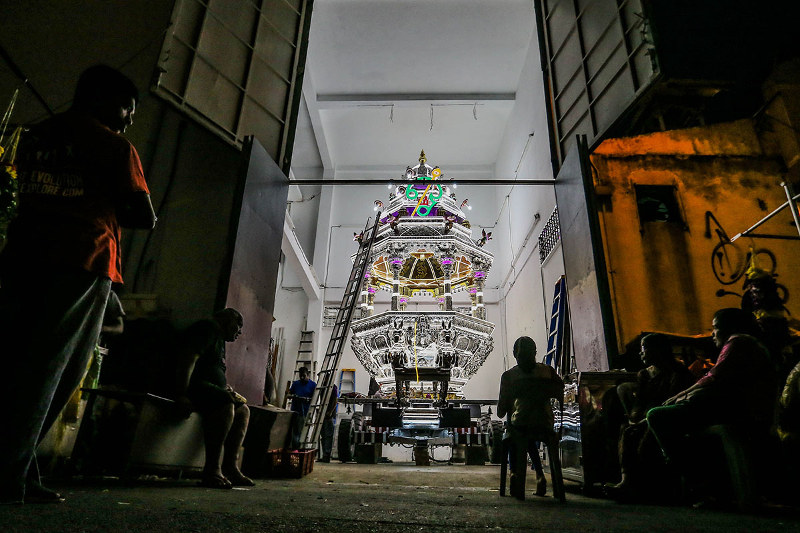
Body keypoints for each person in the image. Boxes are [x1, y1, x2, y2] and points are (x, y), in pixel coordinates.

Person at [0, 65, 156, 505]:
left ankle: (23, 471)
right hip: (82, 261)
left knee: (14, 365)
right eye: (128, 108)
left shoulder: (33, 137)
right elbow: (143, 215)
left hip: (22, 258)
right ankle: (9, 476)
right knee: (54, 372)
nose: (129, 119)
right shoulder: (113, 146)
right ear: (104, 99)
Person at [646, 308, 776, 501]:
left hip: (742, 412)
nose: (712, 334)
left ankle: (698, 484)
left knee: (656, 415)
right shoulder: (753, 344)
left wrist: (680, 396)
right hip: (748, 410)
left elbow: (714, 378)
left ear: (730, 328)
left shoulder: (738, 342)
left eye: (715, 328)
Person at [609, 333, 694, 500]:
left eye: (645, 349)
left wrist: (644, 421)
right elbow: (640, 401)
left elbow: (673, 401)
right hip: (645, 417)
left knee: (647, 436)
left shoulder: (678, 373)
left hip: (664, 417)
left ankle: (646, 488)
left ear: (659, 350)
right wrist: (634, 417)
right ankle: (626, 481)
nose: (641, 354)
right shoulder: (644, 375)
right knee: (627, 430)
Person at [176, 308, 254, 489]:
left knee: (243, 410)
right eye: (238, 325)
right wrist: (181, 394)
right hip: (194, 386)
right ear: (227, 320)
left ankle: (230, 467)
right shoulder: (209, 328)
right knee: (226, 403)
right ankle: (212, 470)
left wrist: (223, 387)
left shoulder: (219, 339)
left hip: (208, 388)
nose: (239, 331)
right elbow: (188, 360)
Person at [497, 336, 564, 498]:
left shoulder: (509, 376)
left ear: (514, 354)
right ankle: (540, 475)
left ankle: (514, 473)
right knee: (529, 427)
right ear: (535, 353)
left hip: (520, 425)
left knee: (515, 427)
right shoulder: (548, 372)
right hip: (545, 424)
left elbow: (500, 412)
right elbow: (561, 390)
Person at [289, 366, 316, 449]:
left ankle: (300, 449)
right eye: (300, 376)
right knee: (293, 432)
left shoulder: (313, 385)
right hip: (294, 411)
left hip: (305, 412)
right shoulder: (296, 384)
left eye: (304, 376)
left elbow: (315, 399)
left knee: (301, 432)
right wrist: (293, 396)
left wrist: (307, 399)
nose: (302, 378)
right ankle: (295, 450)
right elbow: (290, 394)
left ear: (308, 375)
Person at [319, 383, 338, 462]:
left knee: (328, 435)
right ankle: (324, 455)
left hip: (329, 415)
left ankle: (326, 455)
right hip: (322, 414)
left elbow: (335, 400)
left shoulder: (333, 387)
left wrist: (330, 411)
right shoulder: (322, 386)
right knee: (323, 435)